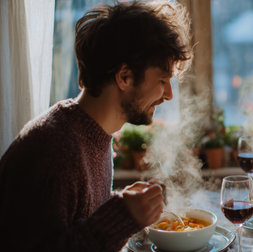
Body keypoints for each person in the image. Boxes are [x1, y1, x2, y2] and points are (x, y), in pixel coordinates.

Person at [0, 1, 192, 251]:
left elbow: (71, 222)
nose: (169, 95)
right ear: (124, 77)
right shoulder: (55, 149)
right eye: (163, 80)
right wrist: (121, 216)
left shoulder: (91, 133)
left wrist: (118, 207)